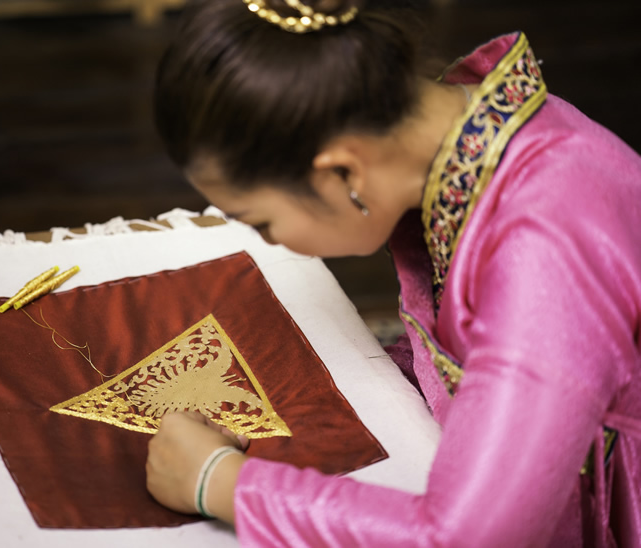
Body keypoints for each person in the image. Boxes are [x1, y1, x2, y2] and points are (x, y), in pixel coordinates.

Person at [145, 0, 641, 545]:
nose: (268, 242)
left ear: (342, 172)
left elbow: (473, 536)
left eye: (262, 222)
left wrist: (218, 483)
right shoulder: (483, 135)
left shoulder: (545, 244)